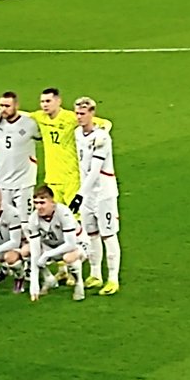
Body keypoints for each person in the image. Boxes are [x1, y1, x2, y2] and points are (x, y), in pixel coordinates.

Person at [27, 88, 110, 206]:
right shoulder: (40, 117)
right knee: (55, 217)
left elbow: (105, 123)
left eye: (48, 101)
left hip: (71, 178)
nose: (44, 105)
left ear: (58, 101)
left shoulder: (71, 118)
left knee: (76, 216)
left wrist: (101, 135)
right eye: (42, 102)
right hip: (52, 178)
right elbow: (23, 115)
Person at [72, 97, 122, 296]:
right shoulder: (78, 133)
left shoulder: (101, 138)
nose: (79, 117)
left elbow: (95, 170)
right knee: (91, 234)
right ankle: (95, 274)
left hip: (104, 194)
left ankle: (112, 279)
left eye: (83, 113)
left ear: (92, 113)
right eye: (77, 113)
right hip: (88, 194)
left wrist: (79, 195)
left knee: (108, 235)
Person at [25, 186, 88, 302]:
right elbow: (35, 252)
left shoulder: (64, 213)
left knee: (69, 258)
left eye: (42, 203)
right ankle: (48, 279)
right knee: (26, 251)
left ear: (52, 203)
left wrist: (47, 255)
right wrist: (34, 285)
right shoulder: (33, 218)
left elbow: (71, 244)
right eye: (36, 203)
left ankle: (79, 283)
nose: (38, 207)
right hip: (52, 246)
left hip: (77, 244)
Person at [0, 91, 40, 215]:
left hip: (24, 182)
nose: (3, 109)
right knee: (5, 219)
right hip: (3, 181)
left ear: (16, 106)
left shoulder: (29, 124)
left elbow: (43, 137)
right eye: (1, 106)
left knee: (24, 221)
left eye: (7, 106)